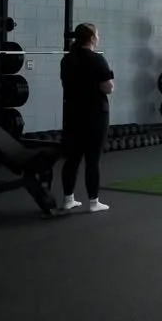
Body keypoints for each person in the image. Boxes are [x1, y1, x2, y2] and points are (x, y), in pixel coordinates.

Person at [58, 23, 114, 212]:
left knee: (72, 158)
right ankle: (93, 202)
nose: (98, 38)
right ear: (91, 38)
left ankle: (68, 199)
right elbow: (108, 87)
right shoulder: (97, 60)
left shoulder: (67, 60)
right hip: (95, 114)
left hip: (73, 113)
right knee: (93, 159)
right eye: (97, 35)